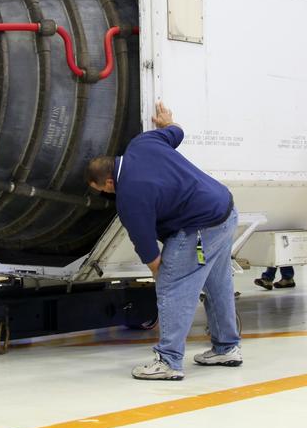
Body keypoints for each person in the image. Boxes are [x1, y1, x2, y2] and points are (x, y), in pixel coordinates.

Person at [86, 101, 241, 381]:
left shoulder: (128, 196)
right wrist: (168, 122)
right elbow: (177, 134)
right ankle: (227, 348)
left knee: (172, 286)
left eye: (101, 190)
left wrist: (162, 273)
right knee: (218, 283)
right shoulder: (142, 143)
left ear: (108, 182)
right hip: (226, 212)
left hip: (199, 227)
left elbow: (147, 246)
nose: (105, 195)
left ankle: (168, 361)